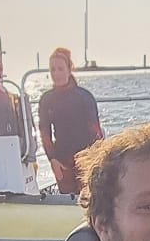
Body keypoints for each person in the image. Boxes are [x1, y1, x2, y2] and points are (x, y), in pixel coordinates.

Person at [37, 46, 104, 193]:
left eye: (60, 69)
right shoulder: (46, 100)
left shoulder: (84, 97)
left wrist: (96, 160)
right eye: (53, 69)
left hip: (87, 158)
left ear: (69, 69)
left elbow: (96, 131)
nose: (56, 73)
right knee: (67, 199)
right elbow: (45, 133)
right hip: (62, 160)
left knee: (88, 198)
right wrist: (52, 159)